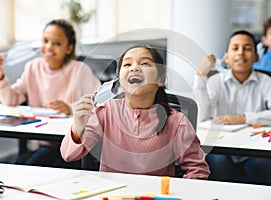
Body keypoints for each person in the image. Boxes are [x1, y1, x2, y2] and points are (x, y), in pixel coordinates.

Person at [60, 45, 210, 179]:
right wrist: (78, 126)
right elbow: (69, 155)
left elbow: (198, 170)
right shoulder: (104, 112)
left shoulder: (177, 122)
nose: (135, 68)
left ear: (161, 79)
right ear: (119, 80)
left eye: (145, 63)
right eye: (127, 64)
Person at [193, 30, 271, 186]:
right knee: (218, 165)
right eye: (235, 48)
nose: (241, 53)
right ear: (226, 57)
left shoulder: (266, 81)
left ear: (256, 57)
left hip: (256, 150)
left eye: (247, 48)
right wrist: (200, 76)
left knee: (268, 171)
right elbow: (202, 117)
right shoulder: (216, 81)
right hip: (222, 149)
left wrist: (244, 118)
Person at [0, 19, 100, 168]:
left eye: (57, 43)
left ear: (68, 48)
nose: (49, 47)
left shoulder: (80, 69)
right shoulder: (33, 67)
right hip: (48, 145)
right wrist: (1, 76)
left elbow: (100, 103)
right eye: (45, 41)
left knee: (63, 173)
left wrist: (70, 108)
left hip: (76, 145)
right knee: (27, 171)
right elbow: (11, 100)